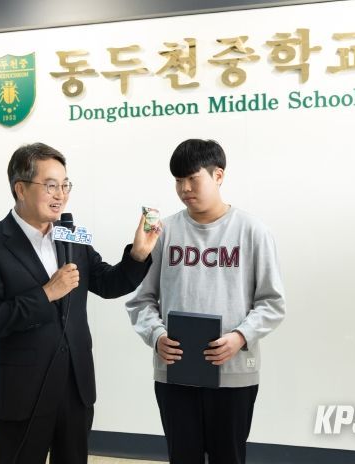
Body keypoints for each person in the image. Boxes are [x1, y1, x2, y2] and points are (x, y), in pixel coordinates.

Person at [0, 142, 159, 464]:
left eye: (65, 185)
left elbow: (107, 283)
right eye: (51, 185)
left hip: (75, 386)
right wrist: (46, 294)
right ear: (20, 189)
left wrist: (138, 255)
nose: (61, 195)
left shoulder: (71, 234)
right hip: (22, 391)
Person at [125, 139, 286, 464]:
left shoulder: (252, 231)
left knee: (229, 457)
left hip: (233, 373)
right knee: (182, 457)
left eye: (192, 178)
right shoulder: (163, 232)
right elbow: (141, 300)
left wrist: (240, 337)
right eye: (178, 180)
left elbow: (272, 302)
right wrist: (156, 336)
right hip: (175, 372)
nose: (184, 188)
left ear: (218, 175)